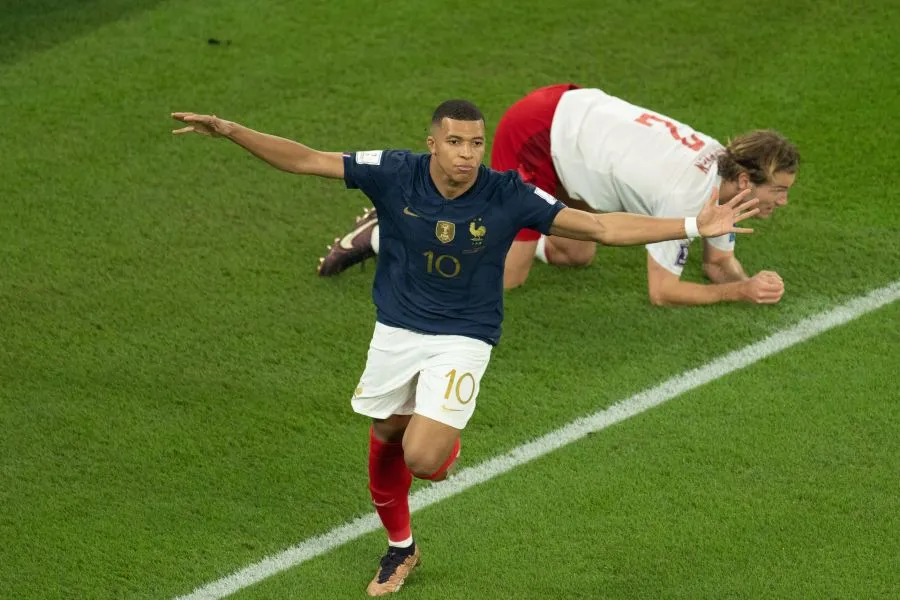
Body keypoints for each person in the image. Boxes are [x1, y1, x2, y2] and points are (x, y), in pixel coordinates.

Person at [171, 101, 757, 596]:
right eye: (454, 142)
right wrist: (230, 130)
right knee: (385, 436)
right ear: (432, 143)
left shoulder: (508, 194)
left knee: (424, 459)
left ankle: (443, 440)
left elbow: (599, 229)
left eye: (476, 143)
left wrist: (689, 226)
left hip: (464, 336)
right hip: (397, 329)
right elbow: (304, 160)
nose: (467, 153)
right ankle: (401, 548)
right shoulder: (395, 172)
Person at [318, 84, 799, 308]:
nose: (782, 201)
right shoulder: (685, 195)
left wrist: (751, 279)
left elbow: (716, 262)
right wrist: (739, 292)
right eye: (777, 190)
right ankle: (386, 232)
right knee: (505, 278)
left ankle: (500, 229)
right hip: (541, 134)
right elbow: (662, 292)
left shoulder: (722, 171)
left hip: (578, 128)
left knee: (575, 252)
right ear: (744, 180)